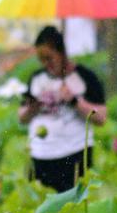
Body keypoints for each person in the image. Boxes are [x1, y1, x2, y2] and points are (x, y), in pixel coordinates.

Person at [19, 26, 107, 192]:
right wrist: (33, 107)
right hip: (41, 155)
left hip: (74, 154)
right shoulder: (37, 78)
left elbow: (101, 117)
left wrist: (74, 101)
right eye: (41, 59)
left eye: (49, 58)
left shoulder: (84, 77)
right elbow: (22, 117)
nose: (46, 64)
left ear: (61, 52)